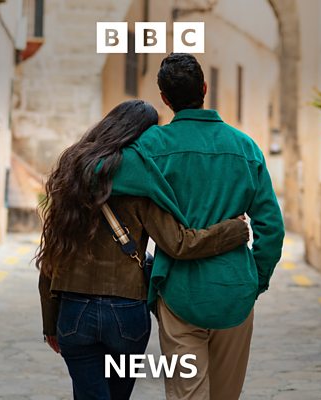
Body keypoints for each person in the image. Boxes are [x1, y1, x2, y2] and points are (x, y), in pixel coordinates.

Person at [36, 100, 250, 400]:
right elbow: (179, 243)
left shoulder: (71, 179)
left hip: (74, 311)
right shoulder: (145, 185)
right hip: (126, 314)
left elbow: (51, 257)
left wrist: (50, 322)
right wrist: (233, 230)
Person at [110, 54, 285, 400]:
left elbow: (104, 176)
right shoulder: (245, 147)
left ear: (164, 98)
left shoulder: (150, 148)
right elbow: (272, 228)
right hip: (235, 291)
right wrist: (255, 280)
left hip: (179, 292)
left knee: (186, 394)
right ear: (204, 89)